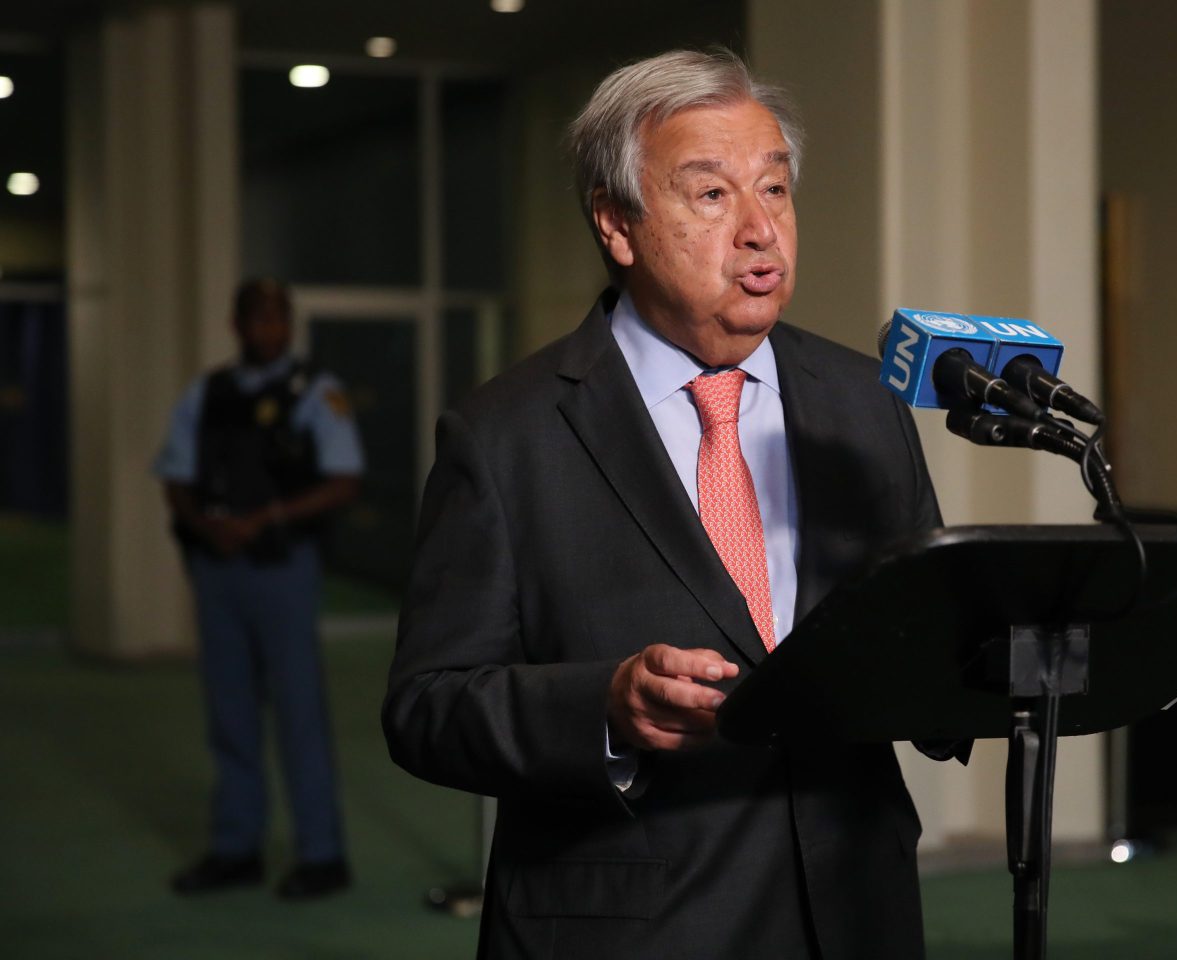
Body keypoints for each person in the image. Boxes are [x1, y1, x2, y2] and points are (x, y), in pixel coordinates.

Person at [384, 49, 964, 958]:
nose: (760, 230)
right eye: (712, 195)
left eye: (775, 189)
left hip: (853, 907)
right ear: (617, 224)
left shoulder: (865, 401)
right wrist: (603, 708)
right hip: (631, 926)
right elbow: (427, 707)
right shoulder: (504, 435)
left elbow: (922, 634)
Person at [155, 278, 362, 899]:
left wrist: (267, 518)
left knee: (298, 713)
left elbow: (344, 479)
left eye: (279, 318)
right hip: (218, 569)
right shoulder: (208, 392)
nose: (270, 330)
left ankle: (322, 855)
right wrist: (208, 526)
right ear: (237, 324)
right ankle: (235, 847)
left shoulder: (315, 390)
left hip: (282, 569)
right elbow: (175, 477)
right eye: (259, 318)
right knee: (229, 712)